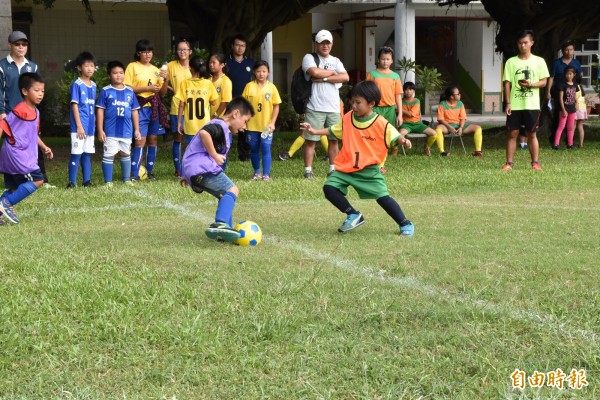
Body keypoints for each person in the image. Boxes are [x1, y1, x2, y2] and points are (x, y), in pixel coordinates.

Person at [300, 80, 414, 237]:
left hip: (369, 170)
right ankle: (353, 214)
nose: (353, 106)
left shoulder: (380, 122)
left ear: (371, 103)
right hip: (346, 168)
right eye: (352, 102)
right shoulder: (348, 118)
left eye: (358, 102)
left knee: (383, 198)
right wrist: (314, 131)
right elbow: (334, 130)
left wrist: (404, 141)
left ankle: (405, 223)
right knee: (329, 188)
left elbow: (394, 135)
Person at [180, 97, 255, 242]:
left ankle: (224, 232)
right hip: (202, 168)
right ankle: (220, 224)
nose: (245, 126)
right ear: (235, 114)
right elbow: (204, 134)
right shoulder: (219, 125)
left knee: (224, 196)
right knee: (232, 190)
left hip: (195, 170)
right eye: (245, 121)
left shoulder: (222, 129)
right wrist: (214, 154)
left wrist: (188, 175)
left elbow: (194, 148)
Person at [0, 31, 54, 188]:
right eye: (17, 44)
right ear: (9, 45)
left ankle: (42, 179)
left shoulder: (32, 66)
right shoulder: (2, 66)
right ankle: (12, 181)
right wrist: (2, 112)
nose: (21, 47)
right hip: (10, 115)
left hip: (29, 114)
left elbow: (37, 89)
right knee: (11, 147)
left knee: (34, 142)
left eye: (24, 44)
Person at [0, 72, 53, 224]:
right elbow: (3, 125)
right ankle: (6, 204)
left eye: (42, 91)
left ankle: (3, 205)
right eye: (36, 90)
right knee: (38, 179)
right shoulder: (20, 110)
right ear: (25, 91)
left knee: (16, 188)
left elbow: (32, 133)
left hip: (18, 154)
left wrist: (44, 147)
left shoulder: (35, 111)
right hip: (17, 154)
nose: (40, 94)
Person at [302, 29, 349, 179]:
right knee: (311, 140)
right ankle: (308, 170)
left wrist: (325, 78)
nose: (325, 45)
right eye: (322, 43)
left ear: (332, 44)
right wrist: (334, 73)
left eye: (327, 43)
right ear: (316, 44)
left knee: (334, 140)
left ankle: (333, 168)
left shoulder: (335, 60)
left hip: (333, 107)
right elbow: (314, 72)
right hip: (314, 106)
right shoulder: (309, 57)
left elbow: (346, 77)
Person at [502, 29, 549, 171]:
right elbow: (507, 83)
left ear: (532, 43)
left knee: (531, 134)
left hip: (532, 104)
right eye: (520, 43)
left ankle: (535, 162)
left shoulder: (539, 61)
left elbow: (544, 82)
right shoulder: (511, 62)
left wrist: (530, 84)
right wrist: (508, 103)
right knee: (513, 133)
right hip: (515, 105)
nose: (522, 46)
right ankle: (509, 163)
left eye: (525, 43)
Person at [124, 39, 168, 180]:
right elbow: (127, 87)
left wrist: (165, 80)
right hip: (139, 107)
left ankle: (149, 171)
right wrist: (146, 88)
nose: (147, 54)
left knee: (153, 139)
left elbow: (162, 93)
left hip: (153, 107)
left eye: (149, 51)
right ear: (138, 53)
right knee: (139, 140)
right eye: (144, 52)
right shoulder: (132, 66)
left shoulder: (156, 70)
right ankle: (134, 173)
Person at [96, 60, 141, 186]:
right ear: (109, 75)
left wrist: (137, 129)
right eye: (115, 73)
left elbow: (134, 111)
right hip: (110, 131)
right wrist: (100, 129)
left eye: (121, 73)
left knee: (126, 153)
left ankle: (126, 179)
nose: (118, 75)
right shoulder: (105, 91)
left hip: (126, 130)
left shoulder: (129, 92)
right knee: (109, 154)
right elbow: (100, 111)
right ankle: (108, 182)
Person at [242, 60, 281, 181]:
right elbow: (243, 105)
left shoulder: (272, 87)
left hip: (266, 126)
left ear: (268, 72)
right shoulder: (249, 86)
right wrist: (243, 122)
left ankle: (266, 174)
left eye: (264, 71)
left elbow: (276, 106)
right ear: (254, 72)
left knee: (265, 148)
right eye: (258, 71)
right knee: (253, 149)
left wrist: (273, 123)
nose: (261, 74)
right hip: (252, 125)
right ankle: (257, 172)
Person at [366, 46, 403, 167]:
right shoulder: (372, 74)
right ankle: (375, 152)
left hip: (390, 108)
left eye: (388, 59)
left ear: (392, 60)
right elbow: (367, 92)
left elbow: (398, 95)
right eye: (383, 59)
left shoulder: (395, 76)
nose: (385, 61)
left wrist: (400, 114)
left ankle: (393, 149)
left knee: (389, 130)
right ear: (378, 60)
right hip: (375, 108)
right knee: (374, 131)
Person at [66, 51, 96, 188]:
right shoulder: (77, 84)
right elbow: (75, 105)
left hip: (90, 127)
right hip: (79, 127)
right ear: (79, 68)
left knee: (87, 153)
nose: (90, 68)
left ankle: (87, 181)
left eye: (92, 65)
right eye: (86, 66)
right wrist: (79, 125)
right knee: (76, 153)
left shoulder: (94, 85)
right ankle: (72, 182)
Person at [175, 56, 218, 144]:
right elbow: (214, 102)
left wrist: (179, 122)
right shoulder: (208, 83)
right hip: (205, 124)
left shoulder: (185, 83)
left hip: (190, 125)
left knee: (192, 151)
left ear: (191, 68)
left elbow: (181, 105)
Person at [546, 40, 582, 142]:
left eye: (571, 50)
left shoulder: (576, 63)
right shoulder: (556, 63)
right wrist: (548, 92)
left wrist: (579, 94)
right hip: (559, 92)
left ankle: (570, 140)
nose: (568, 52)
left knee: (572, 117)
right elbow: (551, 78)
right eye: (566, 50)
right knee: (559, 116)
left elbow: (579, 78)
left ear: (573, 51)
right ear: (562, 51)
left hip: (572, 92)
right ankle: (555, 139)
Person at [166, 39, 192, 177]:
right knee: (178, 137)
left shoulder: (193, 67)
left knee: (192, 139)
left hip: (192, 109)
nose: (182, 52)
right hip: (176, 107)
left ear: (190, 52)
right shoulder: (170, 65)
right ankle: (178, 169)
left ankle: (190, 167)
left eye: (185, 49)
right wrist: (173, 89)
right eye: (180, 49)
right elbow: (161, 82)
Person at [226, 34, 254, 161]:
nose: (240, 48)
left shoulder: (250, 63)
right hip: (230, 100)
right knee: (227, 126)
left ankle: (244, 155)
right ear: (232, 46)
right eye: (237, 45)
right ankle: (223, 152)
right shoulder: (226, 63)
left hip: (246, 101)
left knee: (244, 128)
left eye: (243, 46)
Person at [399, 81, 447, 156]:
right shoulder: (400, 102)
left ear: (414, 91)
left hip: (418, 124)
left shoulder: (416, 101)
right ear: (403, 91)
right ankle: (401, 148)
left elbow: (411, 114)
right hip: (406, 124)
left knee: (434, 134)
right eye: (406, 89)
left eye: (410, 89)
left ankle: (427, 147)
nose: (408, 91)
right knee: (400, 134)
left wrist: (399, 108)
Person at [436, 86, 483, 156]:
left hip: (459, 125)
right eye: (458, 94)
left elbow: (463, 118)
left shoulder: (460, 103)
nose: (460, 95)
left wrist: (461, 127)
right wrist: (450, 128)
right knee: (438, 128)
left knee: (478, 128)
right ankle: (442, 152)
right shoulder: (442, 104)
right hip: (447, 125)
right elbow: (441, 120)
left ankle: (478, 151)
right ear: (451, 96)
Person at [552, 65, 578, 150]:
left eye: (571, 74)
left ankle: (570, 144)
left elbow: (574, 95)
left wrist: (576, 102)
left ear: (574, 74)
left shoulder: (574, 84)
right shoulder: (562, 84)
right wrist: (563, 110)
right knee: (561, 127)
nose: (569, 76)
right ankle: (556, 144)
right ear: (565, 74)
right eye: (567, 74)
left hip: (572, 109)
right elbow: (560, 98)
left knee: (570, 128)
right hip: (564, 109)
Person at [574, 74, 587, 148]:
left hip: (577, 108)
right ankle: (581, 144)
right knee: (580, 126)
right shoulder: (581, 88)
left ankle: (570, 143)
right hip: (583, 109)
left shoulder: (575, 87)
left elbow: (575, 98)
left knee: (573, 126)